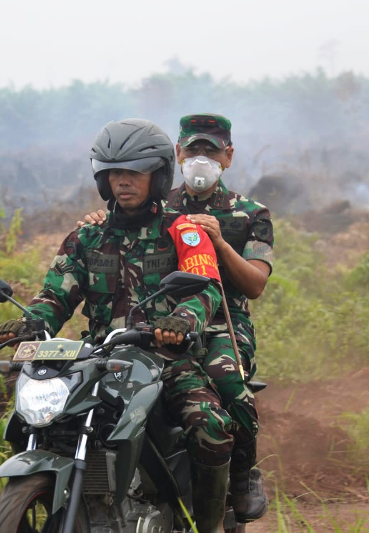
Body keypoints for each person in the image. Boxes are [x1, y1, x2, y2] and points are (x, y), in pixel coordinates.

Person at [0, 118, 233, 533]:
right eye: (114, 173)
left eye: (133, 172)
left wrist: (181, 319)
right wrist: (28, 324)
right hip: (101, 357)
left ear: (158, 175)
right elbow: (55, 295)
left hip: (165, 358)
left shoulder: (183, 230)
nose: (123, 182)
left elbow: (206, 289)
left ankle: (210, 526)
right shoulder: (86, 237)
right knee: (35, 421)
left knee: (210, 426)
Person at [78, 113, 273, 522]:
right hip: (151, 325)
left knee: (230, 386)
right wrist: (104, 218)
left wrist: (217, 241)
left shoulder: (249, 214)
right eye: (193, 149)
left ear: (228, 156)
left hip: (223, 321)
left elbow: (254, 284)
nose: (201, 157)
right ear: (177, 154)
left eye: (211, 150)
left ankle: (240, 478)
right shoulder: (157, 203)